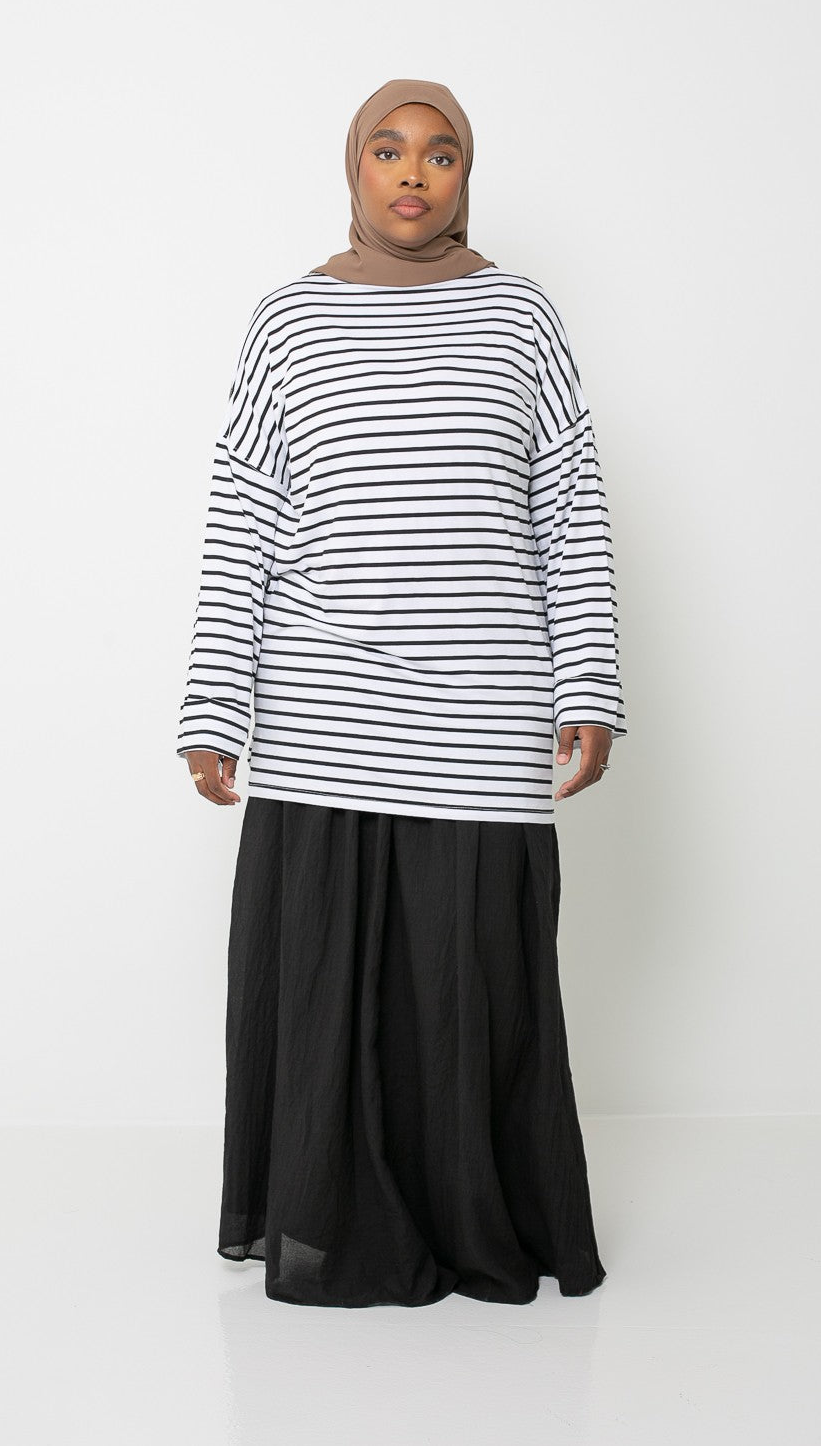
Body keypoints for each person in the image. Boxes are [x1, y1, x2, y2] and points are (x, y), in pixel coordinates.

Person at [175, 77, 627, 1308]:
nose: (413, 172)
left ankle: (477, 1220)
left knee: (471, 987)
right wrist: (214, 704)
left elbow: (569, 506)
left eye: (439, 152)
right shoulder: (288, 321)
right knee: (328, 983)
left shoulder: (520, 316)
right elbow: (244, 517)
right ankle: (335, 1222)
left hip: (480, 714)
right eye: (388, 149)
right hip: (321, 714)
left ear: (465, 175)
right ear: (355, 169)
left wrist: (587, 682)